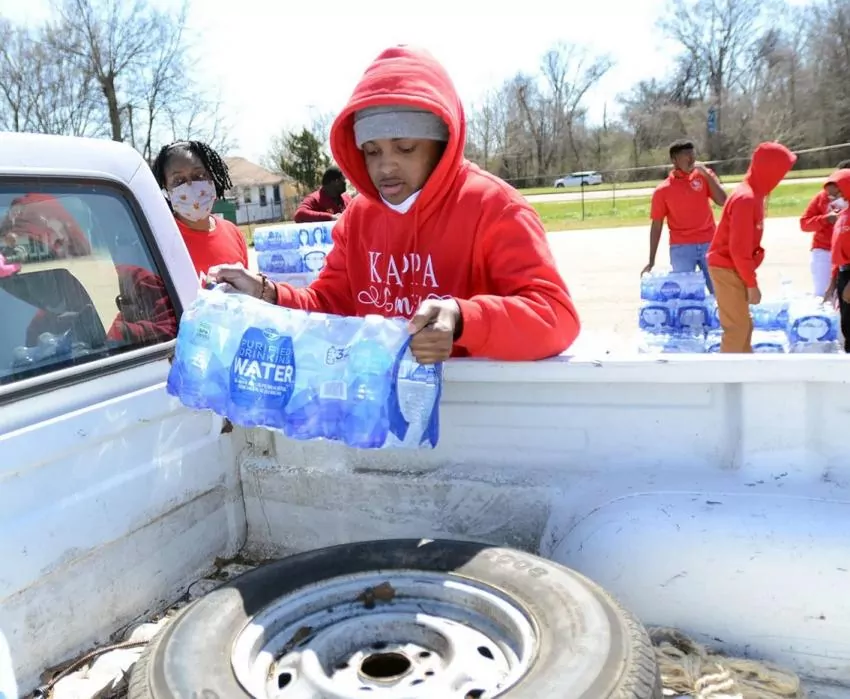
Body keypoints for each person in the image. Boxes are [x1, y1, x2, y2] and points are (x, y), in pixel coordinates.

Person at [210, 45, 580, 365]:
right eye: (372, 151)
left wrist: (462, 318)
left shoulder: (494, 207)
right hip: (383, 408)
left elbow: (556, 317)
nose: (385, 167)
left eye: (405, 148)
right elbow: (330, 303)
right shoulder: (360, 215)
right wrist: (266, 292)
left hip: (473, 405)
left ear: (443, 144)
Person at [707, 142, 797, 353]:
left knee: (744, 326)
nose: (782, 177)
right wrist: (751, 284)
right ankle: (727, 373)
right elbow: (738, 249)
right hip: (727, 267)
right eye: (781, 171)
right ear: (770, 169)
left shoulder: (754, 194)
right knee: (737, 329)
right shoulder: (746, 199)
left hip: (734, 266)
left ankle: (743, 368)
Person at [151, 141, 249, 280]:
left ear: (213, 177)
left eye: (200, 175)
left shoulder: (233, 233)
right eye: (178, 180)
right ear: (165, 189)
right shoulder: (159, 241)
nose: (190, 185)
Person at [642, 139, 727, 294]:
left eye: (693, 154)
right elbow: (656, 225)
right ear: (674, 160)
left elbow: (723, 201)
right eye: (686, 155)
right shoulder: (663, 190)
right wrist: (651, 260)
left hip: (709, 242)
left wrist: (706, 174)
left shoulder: (703, 177)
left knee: (720, 292)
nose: (691, 159)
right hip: (681, 248)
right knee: (686, 295)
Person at [799, 159, 850, 297]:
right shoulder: (822, 197)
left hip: (846, 256)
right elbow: (804, 223)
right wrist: (825, 219)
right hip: (824, 251)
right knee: (823, 295)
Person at [823, 169, 850, 352]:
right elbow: (838, 253)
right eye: (830, 196)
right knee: (846, 325)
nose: (833, 199)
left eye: (836, 194)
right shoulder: (843, 215)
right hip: (843, 275)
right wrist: (833, 283)